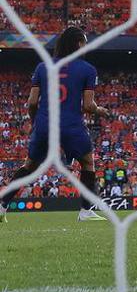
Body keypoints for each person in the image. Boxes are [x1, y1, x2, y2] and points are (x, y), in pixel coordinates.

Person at [0, 25, 109, 221]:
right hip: (70, 125)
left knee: (30, 165)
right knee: (87, 163)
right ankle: (85, 211)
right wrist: (100, 110)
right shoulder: (87, 69)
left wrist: (35, 124)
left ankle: (2, 205)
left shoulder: (43, 66)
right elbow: (88, 106)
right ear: (78, 43)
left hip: (44, 124)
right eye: (84, 42)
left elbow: (32, 102)